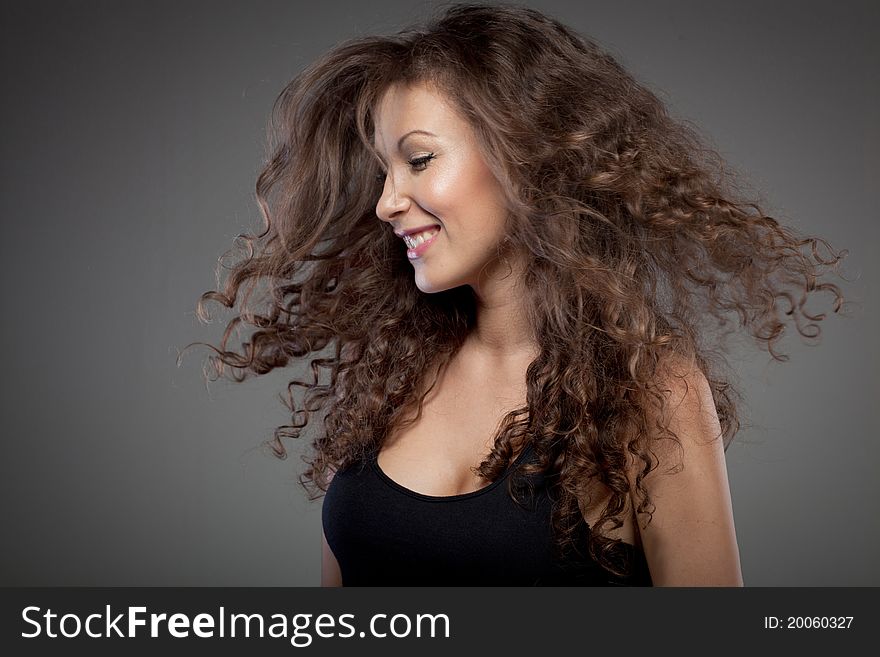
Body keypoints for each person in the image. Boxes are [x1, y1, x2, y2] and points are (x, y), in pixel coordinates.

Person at [191, 3, 846, 586]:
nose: (388, 202)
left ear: (527, 159)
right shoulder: (388, 372)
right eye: (383, 170)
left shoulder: (649, 394)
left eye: (418, 160)